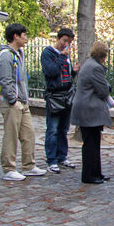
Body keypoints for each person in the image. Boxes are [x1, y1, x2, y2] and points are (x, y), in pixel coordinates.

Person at [0, 23, 47, 181]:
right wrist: (13, 100)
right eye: (23, 35)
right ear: (15, 36)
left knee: (28, 134)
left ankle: (29, 165)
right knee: (11, 136)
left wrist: (23, 100)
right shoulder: (6, 55)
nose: (26, 38)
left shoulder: (19, 53)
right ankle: (9, 168)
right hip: (12, 103)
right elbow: (5, 80)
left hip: (22, 102)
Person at [70, 42, 111, 184]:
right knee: (91, 144)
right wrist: (108, 87)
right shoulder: (95, 67)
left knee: (93, 142)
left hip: (86, 108)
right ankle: (89, 175)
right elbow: (103, 91)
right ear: (103, 55)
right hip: (89, 110)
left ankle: (96, 173)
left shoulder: (89, 63)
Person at [41, 28, 80, 174]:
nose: (66, 45)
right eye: (64, 41)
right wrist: (62, 58)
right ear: (58, 39)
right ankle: (51, 160)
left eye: (69, 42)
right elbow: (51, 72)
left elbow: (65, 74)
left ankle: (62, 156)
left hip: (67, 95)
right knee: (52, 129)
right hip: (55, 96)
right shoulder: (48, 53)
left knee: (64, 129)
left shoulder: (66, 55)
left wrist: (74, 72)